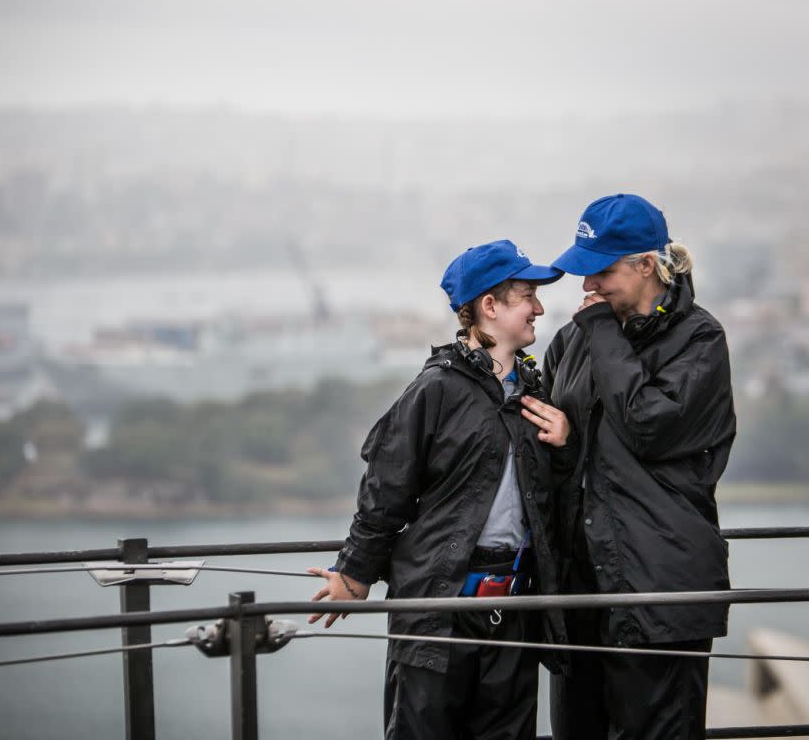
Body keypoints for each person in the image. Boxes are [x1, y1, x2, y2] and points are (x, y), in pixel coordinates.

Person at [307, 240, 574, 740]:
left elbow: (548, 501)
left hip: (514, 611)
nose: (539, 307)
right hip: (436, 613)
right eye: (527, 296)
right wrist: (355, 574)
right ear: (489, 307)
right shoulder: (435, 389)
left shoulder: (535, 393)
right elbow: (385, 490)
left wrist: (564, 445)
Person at [542, 194, 737, 740]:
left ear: (646, 265)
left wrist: (602, 330)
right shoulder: (571, 342)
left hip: (660, 596)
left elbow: (648, 427)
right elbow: (550, 442)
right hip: (584, 596)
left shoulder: (700, 339)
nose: (587, 288)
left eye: (601, 272)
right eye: (583, 272)